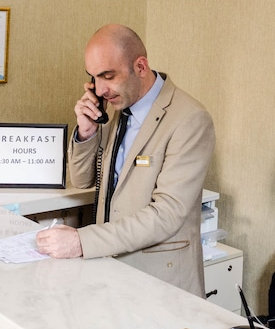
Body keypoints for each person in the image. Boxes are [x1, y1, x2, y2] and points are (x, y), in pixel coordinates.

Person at [35, 24, 216, 296]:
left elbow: (166, 215)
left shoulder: (189, 119)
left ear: (140, 67)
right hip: (112, 273)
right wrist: (87, 131)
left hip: (160, 282)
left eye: (108, 76)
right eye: (94, 78)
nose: (100, 88)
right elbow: (83, 179)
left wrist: (82, 242)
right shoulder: (120, 108)